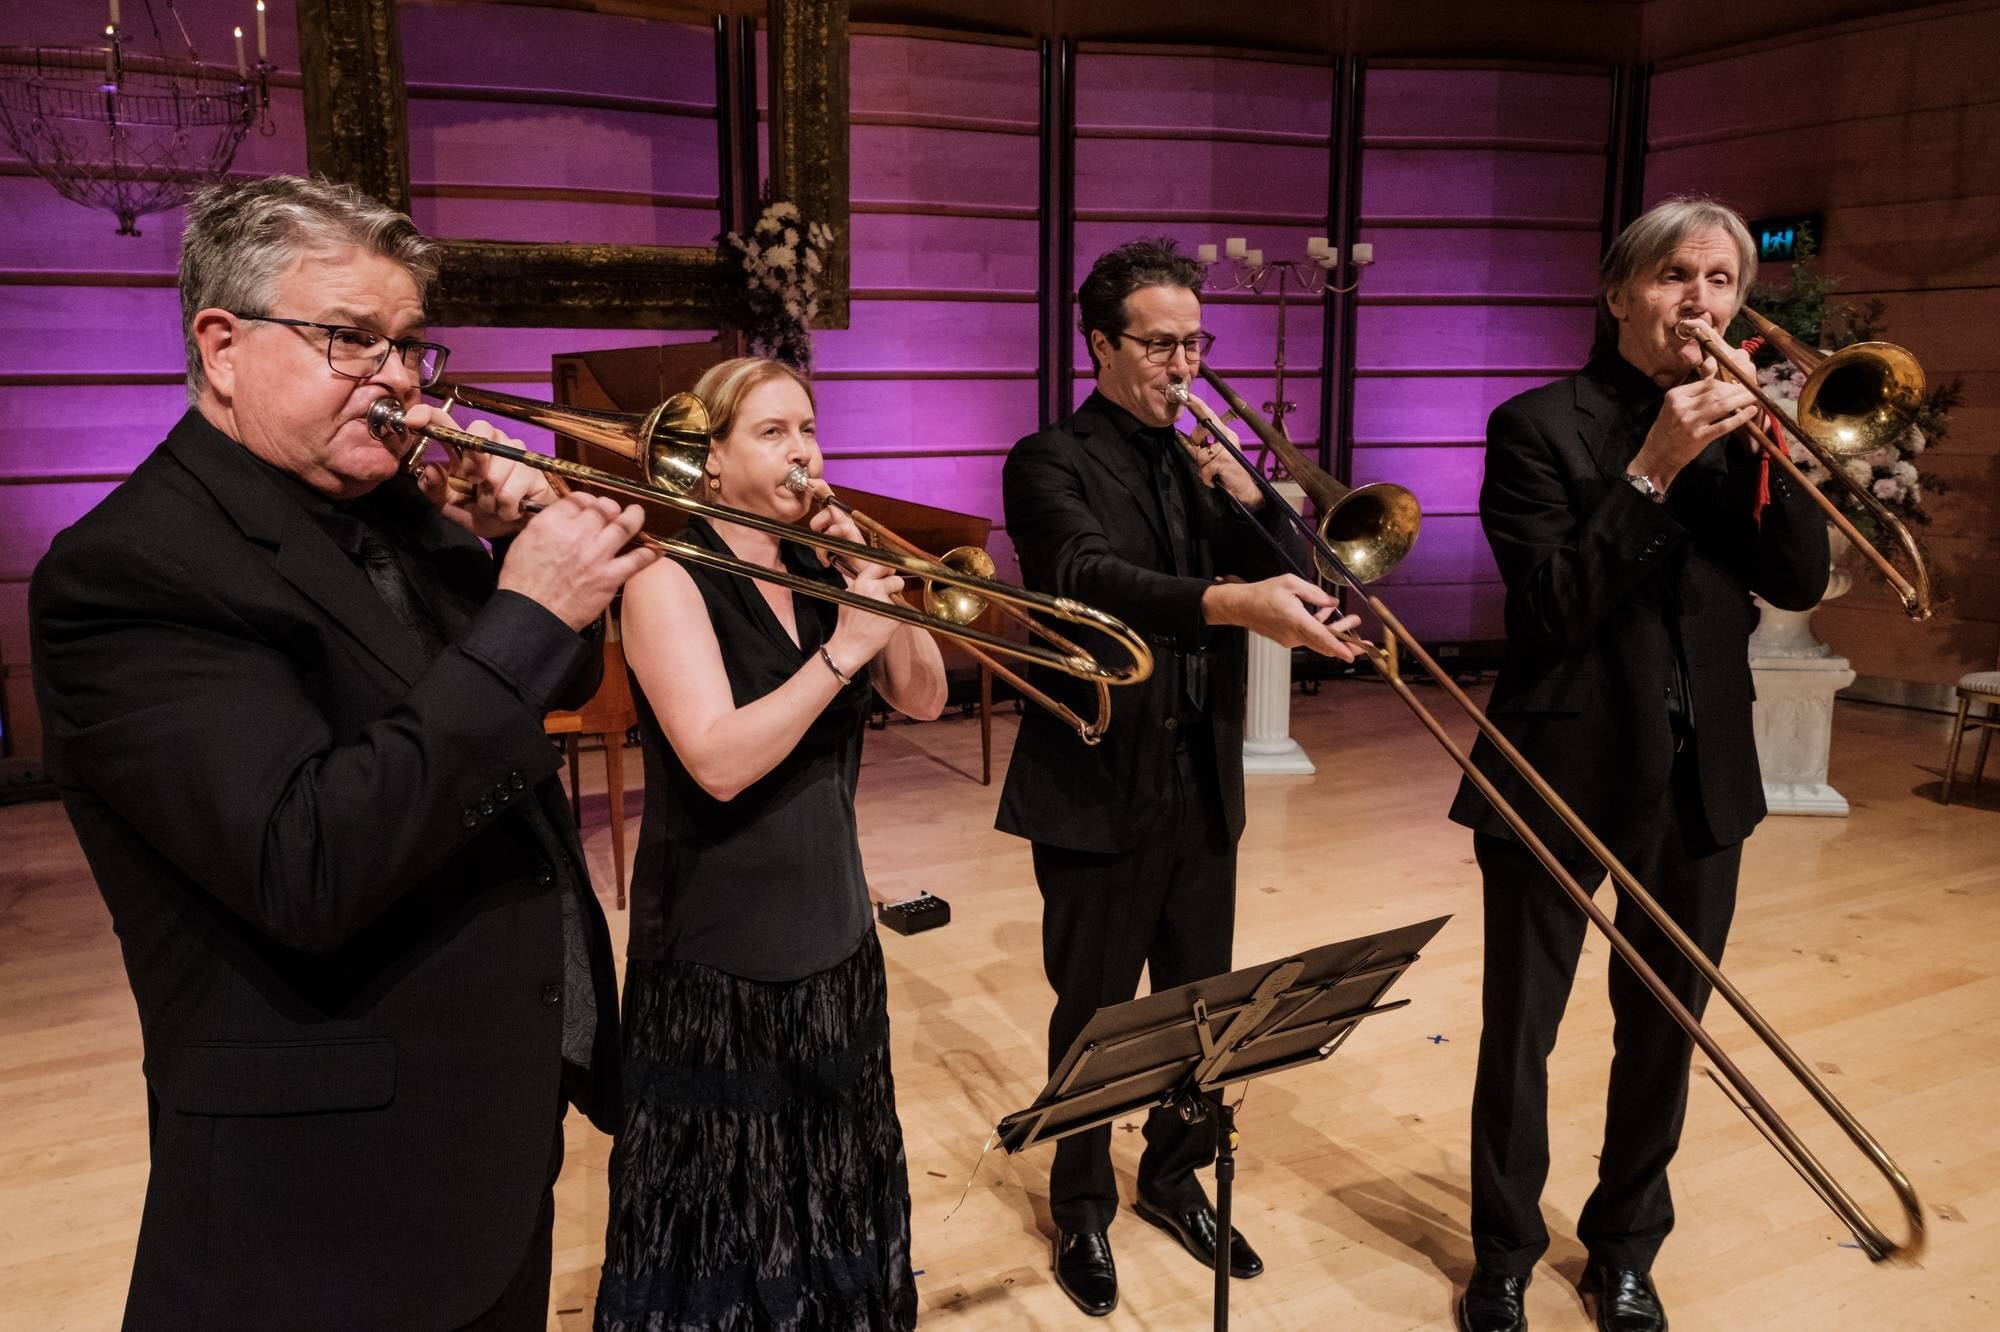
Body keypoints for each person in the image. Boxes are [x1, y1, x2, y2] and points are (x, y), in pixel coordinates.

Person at [29, 175, 654, 1330]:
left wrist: (503, 557)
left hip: (483, 1137)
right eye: (349, 340)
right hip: (321, 1206)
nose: (400, 380)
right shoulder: (127, 573)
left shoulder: (395, 512)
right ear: (222, 346)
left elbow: (537, 694)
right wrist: (524, 612)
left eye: (409, 345)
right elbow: (306, 860)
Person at [1447, 197, 1830, 1332]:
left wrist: (1784, 453)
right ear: (1617, 292)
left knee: (1663, 1028)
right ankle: (1503, 1254)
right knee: (1521, 1031)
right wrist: (1654, 467)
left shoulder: (1739, 433)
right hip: (1557, 764)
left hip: (1700, 774)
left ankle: (1623, 1246)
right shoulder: (1535, 426)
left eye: (1719, 281)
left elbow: (1799, 583)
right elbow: (1553, 605)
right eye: (1674, 276)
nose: (1699, 301)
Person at [996, 237, 1362, 1317]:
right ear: (1100, 343)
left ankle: (1169, 1174)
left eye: (1193, 342)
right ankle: (1079, 1207)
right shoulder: (1047, 458)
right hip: (1097, 780)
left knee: (1205, 1008)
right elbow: (1081, 578)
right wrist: (1224, 601)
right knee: (1094, 1011)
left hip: (1201, 783)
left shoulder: (1201, 463)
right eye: (1158, 344)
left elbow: (1297, 581)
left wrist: (1253, 503)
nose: (1182, 364)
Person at [594, 356, 946, 1331]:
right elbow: (715, 759)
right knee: (725, 1205)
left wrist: (877, 598)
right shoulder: (669, 578)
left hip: (832, 932)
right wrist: (842, 653)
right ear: (707, 461)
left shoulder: (814, 565)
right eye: (772, 432)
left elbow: (925, 696)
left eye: (809, 429)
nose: (804, 454)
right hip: (721, 952)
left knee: (828, 1178)